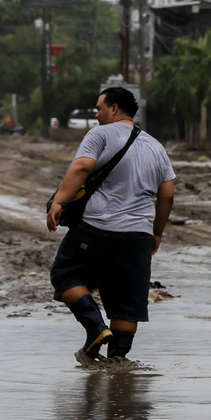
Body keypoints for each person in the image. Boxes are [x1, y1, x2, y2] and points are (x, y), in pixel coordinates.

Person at [47, 87, 175, 366]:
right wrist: (156, 232)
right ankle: (118, 360)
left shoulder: (100, 134)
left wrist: (58, 202)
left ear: (114, 108)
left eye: (99, 108)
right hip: (138, 235)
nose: (96, 114)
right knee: (127, 301)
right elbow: (167, 194)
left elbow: (82, 167)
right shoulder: (156, 146)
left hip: (97, 227)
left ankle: (95, 326)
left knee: (65, 275)